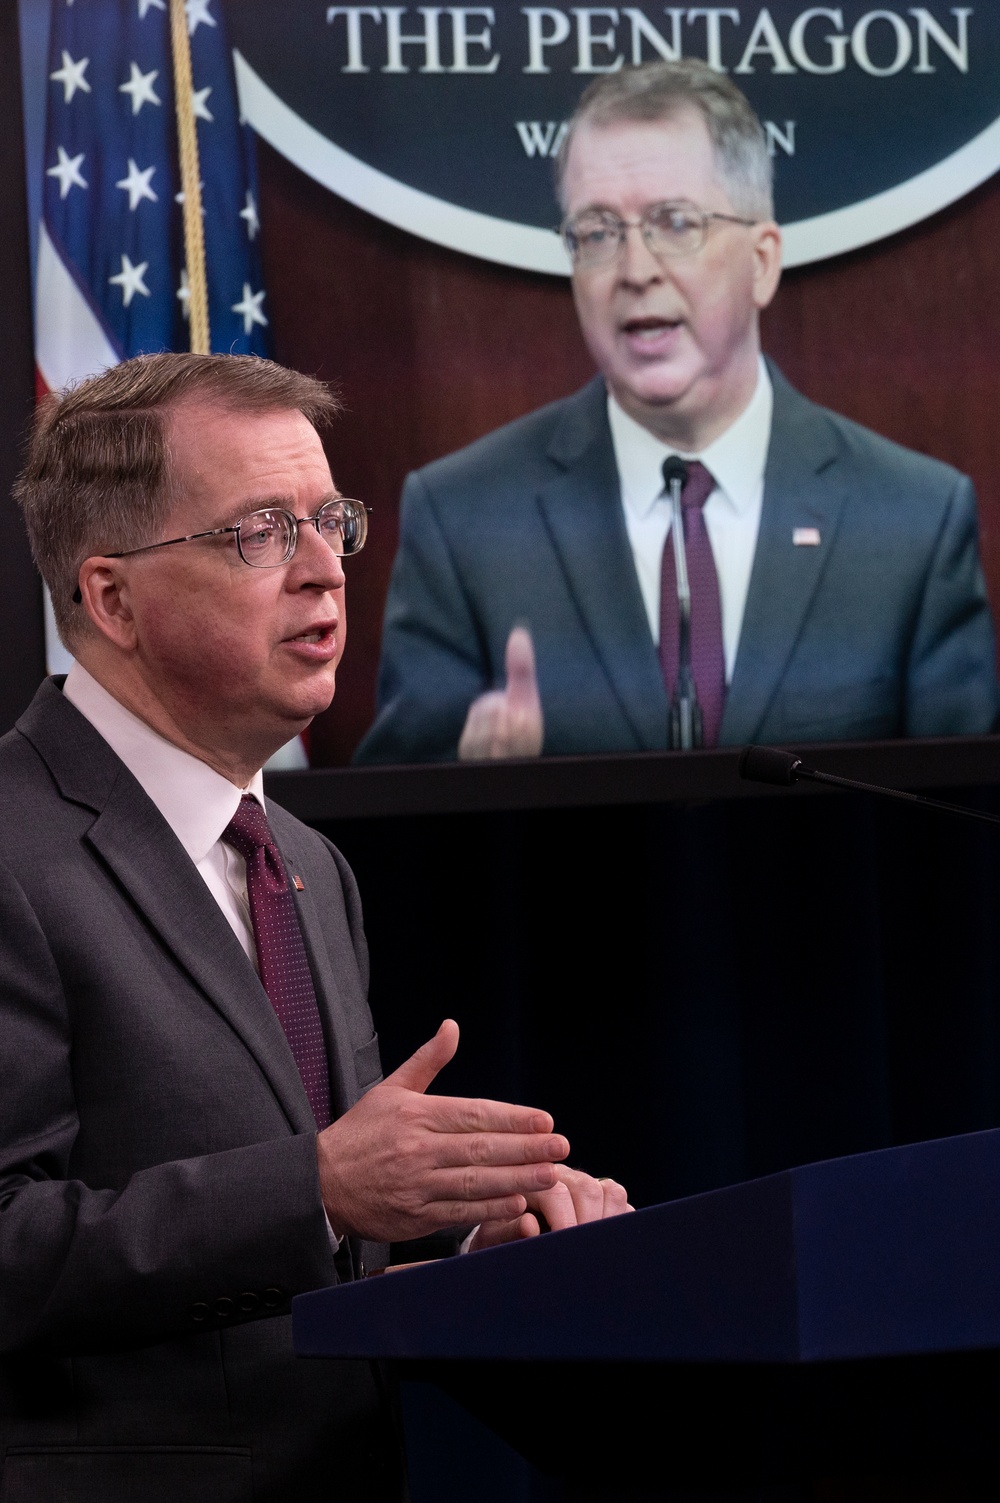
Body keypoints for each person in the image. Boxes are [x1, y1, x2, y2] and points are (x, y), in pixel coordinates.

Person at [0, 353, 630, 1503]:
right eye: (258, 533)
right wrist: (320, 1188)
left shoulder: (308, 866)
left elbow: (322, 1252)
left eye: (330, 520)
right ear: (111, 597)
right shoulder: (14, 847)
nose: (325, 571)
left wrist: (485, 1251)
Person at [356, 59, 999, 765]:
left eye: (674, 222)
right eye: (597, 232)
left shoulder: (912, 520)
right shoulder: (464, 519)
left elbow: (962, 834)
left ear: (761, 261)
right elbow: (395, 841)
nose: (635, 269)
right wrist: (464, 782)